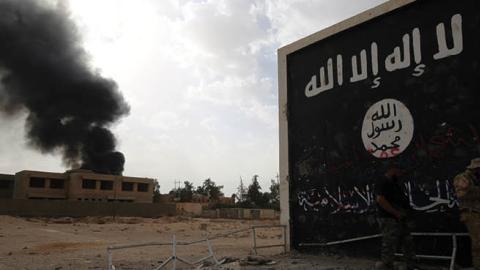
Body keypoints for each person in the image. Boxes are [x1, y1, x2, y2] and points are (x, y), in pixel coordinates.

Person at [376, 166, 418, 270]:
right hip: (390, 219)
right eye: (399, 171)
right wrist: (395, 213)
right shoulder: (383, 182)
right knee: (389, 244)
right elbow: (380, 199)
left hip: (400, 218)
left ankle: (411, 265)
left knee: (407, 242)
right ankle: (387, 266)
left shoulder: (395, 184)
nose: (400, 174)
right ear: (392, 170)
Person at [453, 158, 480, 269]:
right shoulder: (463, 178)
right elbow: (461, 195)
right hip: (472, 214)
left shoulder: (475, 178)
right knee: (478, 244)